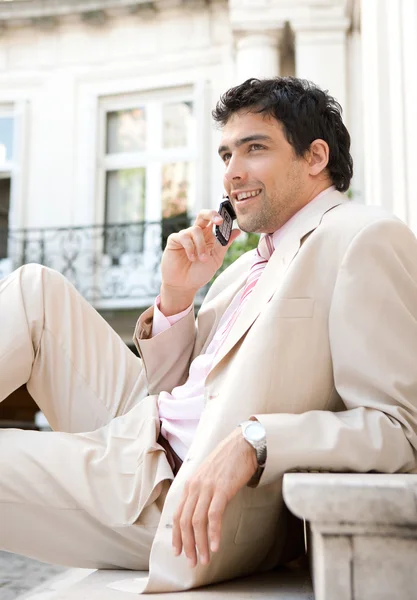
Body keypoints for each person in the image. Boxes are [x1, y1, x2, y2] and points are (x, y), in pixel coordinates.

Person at [1, 76, 417, 594]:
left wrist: (256, 440)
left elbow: (399, 431)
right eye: (225, 155)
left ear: (314, 157)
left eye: (254, 149)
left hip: (179, 493)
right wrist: (177, 298)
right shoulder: (243, 268)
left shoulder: (362, 236)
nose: (232, 173)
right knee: (32, 289)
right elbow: (176, 388)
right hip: (141, 433)